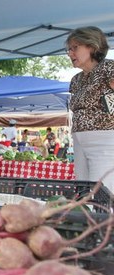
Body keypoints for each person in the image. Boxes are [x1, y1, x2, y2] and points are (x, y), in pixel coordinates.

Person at [66, 26, 114, 191]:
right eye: (69, 49)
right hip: (79, 142)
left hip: (105, 143)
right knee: (84, 192)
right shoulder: (76, 79)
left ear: (92, 46)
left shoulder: (109, 68)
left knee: (102, 193)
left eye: (75, 48)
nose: (70, 53)